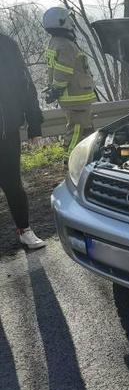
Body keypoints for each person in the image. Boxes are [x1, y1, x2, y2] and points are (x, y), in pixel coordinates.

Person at [0, 33, 46, 249]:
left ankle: (24, 230)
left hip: (5, 131)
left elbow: (25, 84)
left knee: (13, 184)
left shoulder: (6, 44)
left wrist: (34, 125)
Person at [42, 7, 97, 156]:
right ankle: (71, 163)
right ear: (62, 22)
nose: (72, 22)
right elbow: (63, 72)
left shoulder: (55, 42)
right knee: (77, 131)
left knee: (86, 131)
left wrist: (55, 90)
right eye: (69, 19)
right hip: (75, 97)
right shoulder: (66, 45)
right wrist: (57, 88)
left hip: (73, 97)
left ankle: (85, 160)